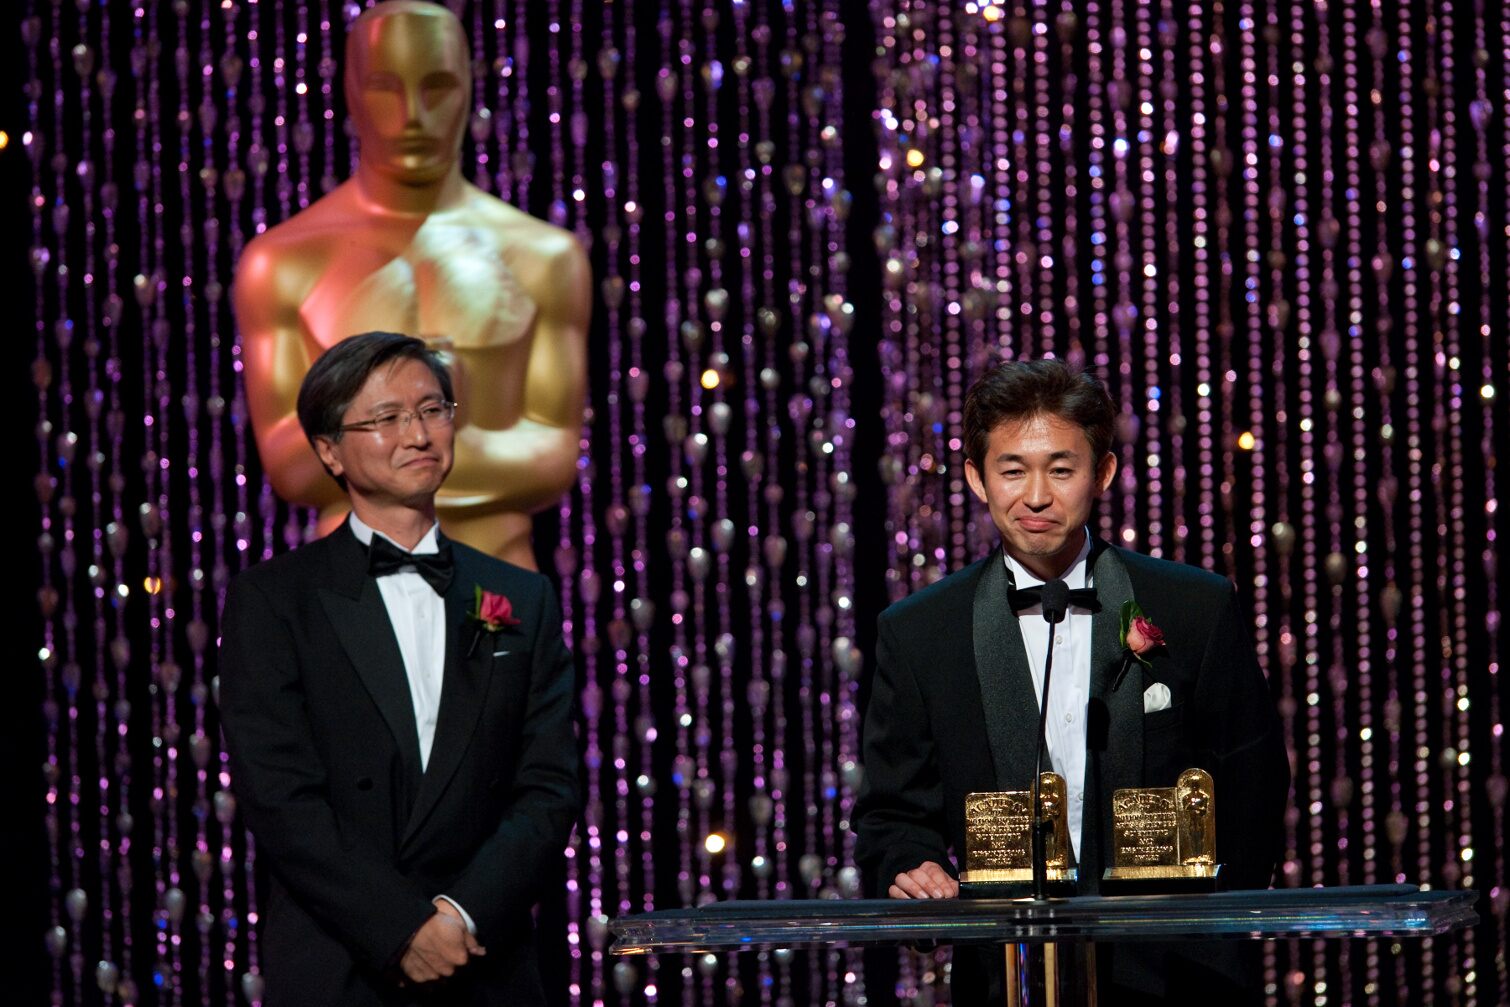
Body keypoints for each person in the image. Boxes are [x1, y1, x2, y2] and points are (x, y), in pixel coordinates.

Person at [853, 358, 1290, 1003]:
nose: (1036, 496)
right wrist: (911, 868)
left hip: (1175, 975)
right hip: (1005, 976)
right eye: (1012, 470)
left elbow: (1254, 783)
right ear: (976, 478)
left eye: (1061, 469)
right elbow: (892, 812)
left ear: (1102, 473)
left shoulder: (1193, 608)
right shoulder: (921, 632)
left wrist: (1215, 926)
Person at [218, 332, 581, 1005]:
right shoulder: (274, 600)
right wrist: (400, 929)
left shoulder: (520, 596)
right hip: (342, 961)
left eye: (432, 409)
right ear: (330, 450)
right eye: (387, 418)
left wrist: (461, 914)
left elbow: (548, 785)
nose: (418, 434)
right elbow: (279, 795)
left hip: (484, 961)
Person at [233, 0, 589, 569]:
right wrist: (452, 434)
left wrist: (372, 441)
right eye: (385, 88)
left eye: (437, 87)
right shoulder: (281, 262)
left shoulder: (544, 257)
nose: (413, 116)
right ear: (351, 92)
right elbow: (290, 466)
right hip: (351, 590)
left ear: (468, 89)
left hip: (500, 583)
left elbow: (554, 457)